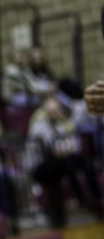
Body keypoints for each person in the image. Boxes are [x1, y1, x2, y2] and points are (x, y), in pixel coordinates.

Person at [27, 94, 102, 228]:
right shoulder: (38, 127)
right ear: (46, 112)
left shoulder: (61, 124)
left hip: (60, 163)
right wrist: (61, 148)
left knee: (83, 160)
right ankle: (81, 197)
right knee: (68, 161)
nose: (54, 113)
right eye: (51, 111)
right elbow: (47, 148)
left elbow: (71, 144)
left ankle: (96, 196)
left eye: (56, 110)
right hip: (40, 165)